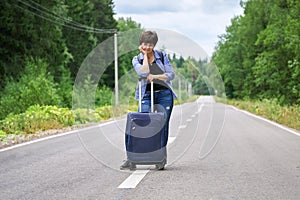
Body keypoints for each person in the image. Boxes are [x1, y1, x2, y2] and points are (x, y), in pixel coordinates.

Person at [120, 30, 177, 170]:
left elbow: (171, 75)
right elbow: (143, 72)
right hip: (146, 94)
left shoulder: (162, 56)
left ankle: (160, 157)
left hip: (164, 94)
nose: (147, 47)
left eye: (150, 45)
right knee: (142, 124)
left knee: (162, 126)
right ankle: (133, 156)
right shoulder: (137, 59)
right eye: (145, 44)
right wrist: (145, 55)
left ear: (154, 45)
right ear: (141, 44)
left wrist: (156, 77)